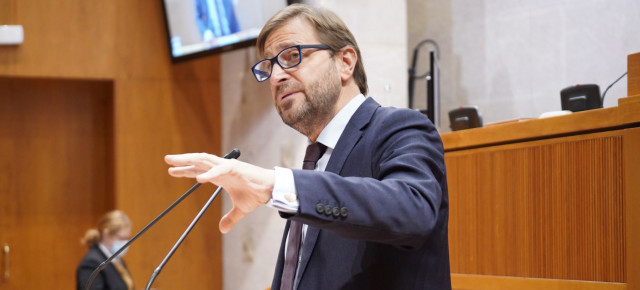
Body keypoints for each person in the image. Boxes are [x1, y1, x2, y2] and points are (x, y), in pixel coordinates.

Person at [165, 3, 451, 289]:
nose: (277, 76)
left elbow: (414, 211)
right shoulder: (314, 161)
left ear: (345, 62)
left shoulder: (399, 127)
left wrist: (275, 184)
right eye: (269, 65)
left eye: (292, 56)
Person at [76, 210, 134, 290]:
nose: (125, 242)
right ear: (106, 234)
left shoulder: (117, 261)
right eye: (122, 238)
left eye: (127, 238)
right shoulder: (91, 263)